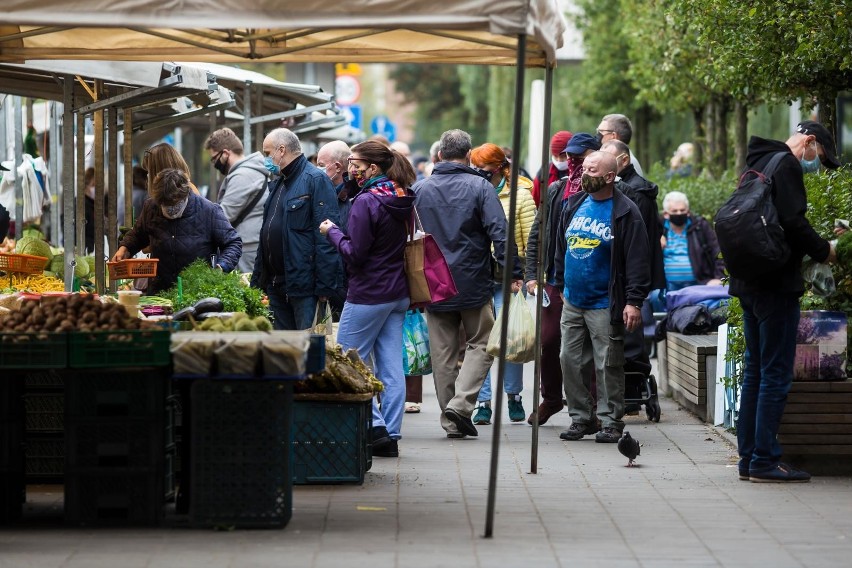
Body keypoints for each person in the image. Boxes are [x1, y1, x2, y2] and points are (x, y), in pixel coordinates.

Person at [732, 120, 839, 483]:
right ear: (809, 142)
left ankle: (748, 458)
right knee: (775, 374)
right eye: (819, 157)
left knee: (755, 371)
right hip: (776, 284)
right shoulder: (787, 164)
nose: (816, 165)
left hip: (748, 282)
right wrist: (826, 250)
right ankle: (765, 460)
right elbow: (793, 222)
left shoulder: (758, 161)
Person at [412, 129, 522, 439]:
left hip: (432, 281)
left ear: (439, 155)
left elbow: (409, 238)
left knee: (443, 352)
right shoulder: (480, 187)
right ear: (470, 154)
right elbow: (500, 232)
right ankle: (460, 408)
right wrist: (512, 270)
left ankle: (451, 420)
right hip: (472, 279)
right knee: (484, 341)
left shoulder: (420, 189)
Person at [319, 141, 416, 458]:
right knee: (391, 367)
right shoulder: (400, 196)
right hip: (398, 292)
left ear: (372, 168)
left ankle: (374, 428)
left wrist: (332, 231)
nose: (350, 168)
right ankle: (391, 434)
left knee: (346, 358)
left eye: (354, 163)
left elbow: (355, 254)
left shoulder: (365, 203)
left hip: (368, 293)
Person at [553, 151, 650, 443]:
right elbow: (561, 245)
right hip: (573, 299)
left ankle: (610, 421)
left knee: (607, 363)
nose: (585, 175)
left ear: (609, 177)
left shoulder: (625, 211)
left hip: (605, 302)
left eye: (592, 171)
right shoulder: (573, 204)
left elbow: (637, 259)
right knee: (569, 359)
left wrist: (634, 301)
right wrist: (559, 281)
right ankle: (581, 419)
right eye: (584, 169)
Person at [523, 132, 600, 425]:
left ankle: (591, 407)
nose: (572, 160)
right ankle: (552, 398)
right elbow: (537, 234)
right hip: (556, 280)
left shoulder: (607, 191)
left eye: (579, 155)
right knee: (549, 340)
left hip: (592, 281)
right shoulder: (557, 190)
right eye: (569, 154)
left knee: (589, 347)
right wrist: (532, 275)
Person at [469, 142, 536, 425]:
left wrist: (525, 275)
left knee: (510, 339)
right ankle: (483, 401)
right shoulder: (471, 190)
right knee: (481, 343)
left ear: (497, 168)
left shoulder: (521, 196)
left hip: (509, 279)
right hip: (478, 277)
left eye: (481, 168)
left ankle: (514, 395)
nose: (476, 172)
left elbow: (532, 239)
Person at [251, 128, 343, 330]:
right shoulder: (278, 183)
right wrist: (257, 281)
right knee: (283, 351)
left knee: (307, 350)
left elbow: (326, 236)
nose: (266, 158)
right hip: (276, 287)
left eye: (268, 153)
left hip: (304, 288)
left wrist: (324, 287)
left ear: (281, 150)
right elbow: (266, 234)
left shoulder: (315, 180)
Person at [112, 168, 242, 294]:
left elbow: (233, 243)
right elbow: (138, 234)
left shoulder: (209, 211)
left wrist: (220, 267)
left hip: (196, 291)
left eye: (173, 204)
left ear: (185, 194)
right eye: (164, 204)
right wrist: (125, 247)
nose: (169, 209)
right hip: (159, 290)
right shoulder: (151, 207)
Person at [204, 127, 270, 274]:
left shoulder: (243, 176)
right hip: (251, 245)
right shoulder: (250, 171)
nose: (215, 163)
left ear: (226, 153)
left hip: (247, 248)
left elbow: (224, 216)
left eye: (214, 158)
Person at [316, 139, 358, 321]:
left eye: (320, 165)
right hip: (331, 284)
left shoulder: (353, 199)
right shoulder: (320, 194)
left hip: (345, 286)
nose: (316, 170)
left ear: (338, 167)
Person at [660, 191, 725, 292]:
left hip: (699, 283)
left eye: (682, 210)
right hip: (666, 286)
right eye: (675, 211)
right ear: (666, 214)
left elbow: (718, 253)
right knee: (654, 297)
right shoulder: (658, 230)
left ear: (688, 212)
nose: (679, 213)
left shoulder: (700, 227)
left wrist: (718, 278)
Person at [530, 130, 572, 207]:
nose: (559, 161)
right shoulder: (544, 172)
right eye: (555, 156)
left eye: (563, 157)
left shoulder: (580, 172)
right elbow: (534, 201)